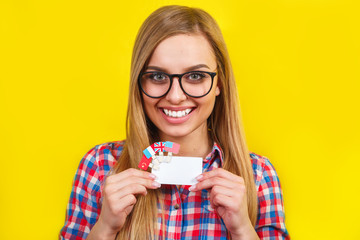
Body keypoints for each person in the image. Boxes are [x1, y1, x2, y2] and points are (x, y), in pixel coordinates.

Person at [60, 5, 290, 240]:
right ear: (139, 84)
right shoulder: (100, 167)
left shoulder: (258, 176)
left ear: (219, 83)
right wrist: (105, 227)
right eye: (158, 77)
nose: (175, 96)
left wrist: (242, 230)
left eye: (195, 76)